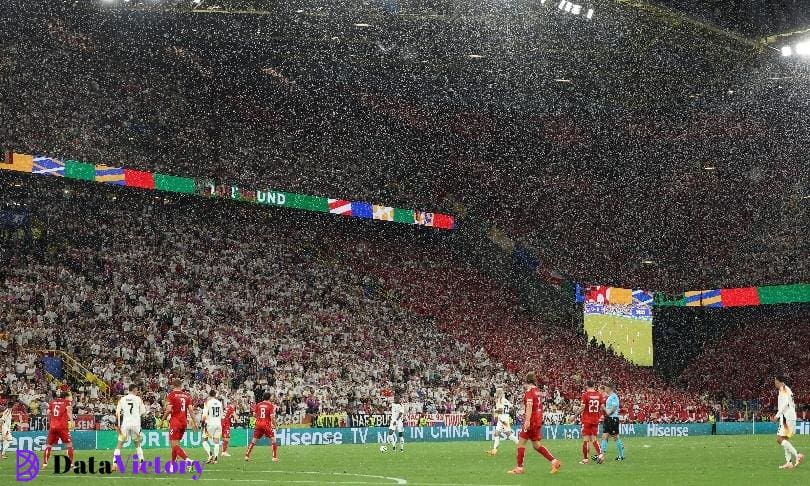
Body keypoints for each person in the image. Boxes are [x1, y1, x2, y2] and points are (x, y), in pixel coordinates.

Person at [507, 372, 561, 475]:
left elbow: (530, 407)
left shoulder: (530, 392)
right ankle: (554, 461)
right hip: (538, 420)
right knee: (536, 445)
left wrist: (527, 421)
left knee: (521, 443)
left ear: (526, 381)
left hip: (531, 421)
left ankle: (519, 468)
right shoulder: (537, 391)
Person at [773, 375, 804, 469]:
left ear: (780, 382)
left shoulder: (783, 389)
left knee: (779, 439)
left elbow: (786, 403)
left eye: (775, 381)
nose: (775, 383)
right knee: (785, 440)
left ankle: (797, 455)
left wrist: (777, 415)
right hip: (790, 417)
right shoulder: (786, 389)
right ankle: (789, 462)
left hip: (787, 418)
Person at [113, 384, 147, 466]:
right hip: (135, 424)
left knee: (119, 444)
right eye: (137, 390)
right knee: (137, 444)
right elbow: (143, 411)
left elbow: (117, 412)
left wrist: (117, 424)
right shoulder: (138, 399)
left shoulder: (122, 399)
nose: (138, 392)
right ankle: (142, 464)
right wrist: (136, 415)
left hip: (126, 424)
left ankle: (114, 464)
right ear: (134, 390)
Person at [164, 379, 197, 463]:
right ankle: (172, 465)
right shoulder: (186, 396)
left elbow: (168, 409)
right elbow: (191, 410)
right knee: (177, 444)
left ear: (173, 385)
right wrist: (195, 422)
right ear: (181, 386)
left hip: (175, 421)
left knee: (174, 445)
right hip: (184, 422)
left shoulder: (171, 395)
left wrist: (162, 419)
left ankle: (187, 460)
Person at [43, 390, 74, 469]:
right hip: (62, 427)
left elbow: (47, 412)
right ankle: (70, 464)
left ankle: (44, 464)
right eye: (70, 396)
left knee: (49, 445)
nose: (71, 398)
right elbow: (69, 411)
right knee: (69, 445)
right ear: (66, 397)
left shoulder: (52, 402)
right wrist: (72, 421)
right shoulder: (66, 402)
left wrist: (51, 420)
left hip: (53, 426)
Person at [245, 392, 278, 462]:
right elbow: (272, 417)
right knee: (273, 440)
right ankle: (274, 457)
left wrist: (260, 418)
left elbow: (254, 414)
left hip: (258, 424)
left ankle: (247, 456)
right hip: (266, 425)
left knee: (254, 440)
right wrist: (275, 425)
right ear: (269, 398)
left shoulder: (258, 404)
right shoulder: (270, 405)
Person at [578, 381, 604, 464]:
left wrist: (574, 416)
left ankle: (585, 459)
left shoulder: (585, 395)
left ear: (587, 386)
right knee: (594, 439)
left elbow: (582, 407)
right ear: (594, 386)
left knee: (586, 440)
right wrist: (607, 413)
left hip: (586, 420)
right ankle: (600, 455)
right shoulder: (599, 395)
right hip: (595, 420)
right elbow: (602, 407)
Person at [487, 389, 518, 455]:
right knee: (496, 433)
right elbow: (512, 407)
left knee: (509, 435)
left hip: (503, 419)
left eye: (497, 393)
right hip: (503, 418)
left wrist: (494, 411)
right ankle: (494, 450)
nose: (496, 394)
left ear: (498, 393)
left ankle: (520, 445)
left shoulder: (500, 400)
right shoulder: (505, 400)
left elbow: (500, 410)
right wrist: (506, 412)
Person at [599, 383, 625, 461]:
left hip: (612, 418)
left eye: (606, 387)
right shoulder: (610, 396)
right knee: (605, 436)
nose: (605, 389)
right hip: (608, 419)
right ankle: (601, 455)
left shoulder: (614, 396)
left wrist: (606, 410)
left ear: (609, 388)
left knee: (615, 437)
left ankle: (621, 455)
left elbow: (614, 407)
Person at [201, 390, 224, 464]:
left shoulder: (207, 403)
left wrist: (202, 422)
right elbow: (221, 415)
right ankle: (216, 458)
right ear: (215, 395)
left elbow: (204, 415)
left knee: (204, 439)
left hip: (210, 423)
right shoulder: (219, 403)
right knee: (216, 441)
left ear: (209, 395)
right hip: (218, 423)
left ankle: (210, 454)